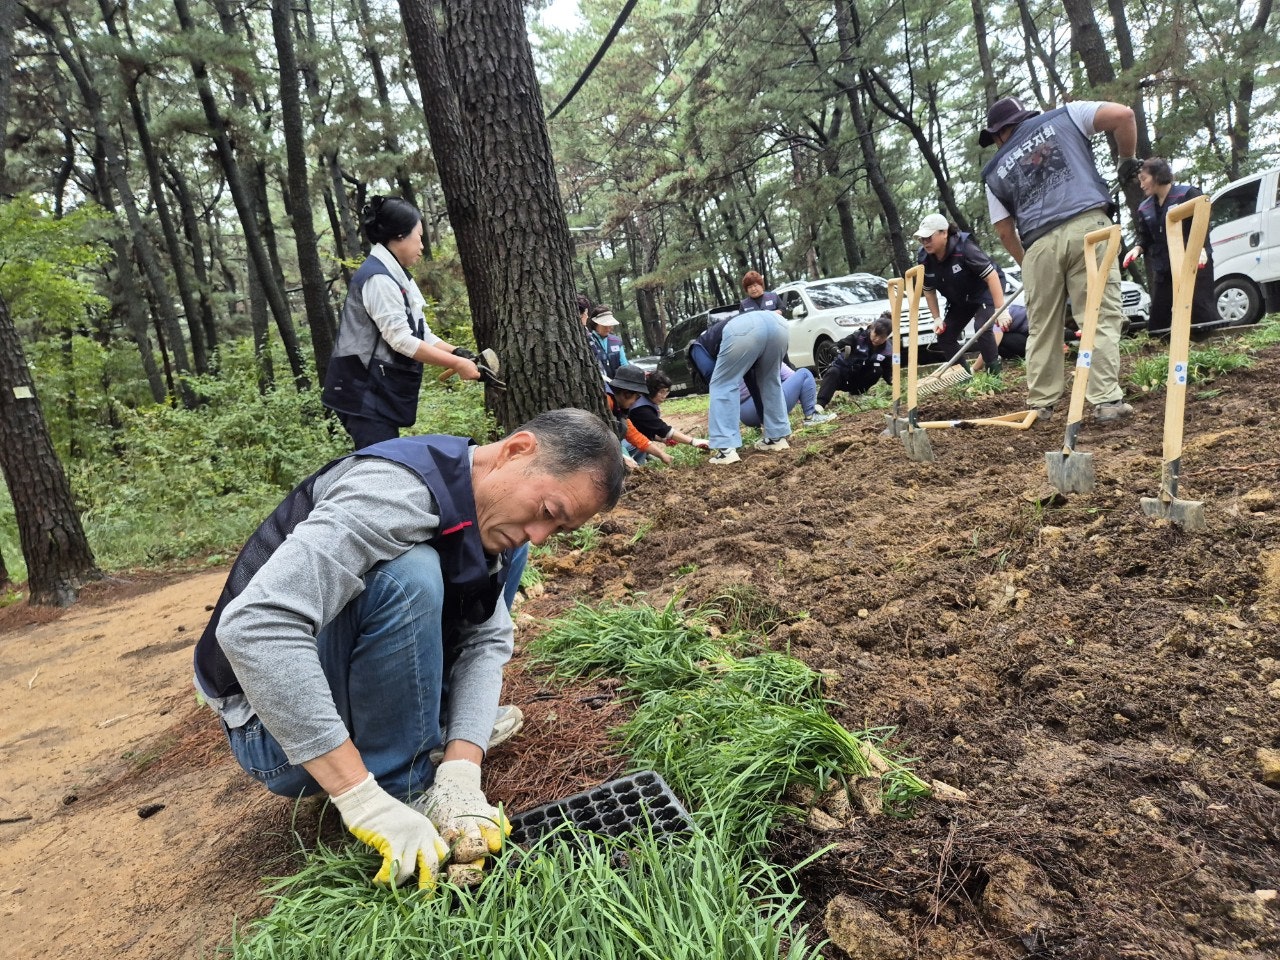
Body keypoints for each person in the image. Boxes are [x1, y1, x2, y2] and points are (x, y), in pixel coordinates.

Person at [193, 410, 626, 890]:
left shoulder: (496, 521)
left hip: (344, 696)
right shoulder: (390, 492)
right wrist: (363, 801)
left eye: (559, 531)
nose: (542, 535)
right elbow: (255, 626)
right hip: (270, 733)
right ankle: (402, 785)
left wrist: (463, 770)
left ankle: (437, 738)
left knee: (507, 546)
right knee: (410, 576)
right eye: (548, 512)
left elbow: (485, 637)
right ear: (516, 450)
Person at [979, 96, 1137, 424]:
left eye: (995, 138)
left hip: (1038, 244)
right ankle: (1106, 401)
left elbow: (1005, 232)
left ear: (1000, 133)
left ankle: (1041, 406)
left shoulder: (995, 170)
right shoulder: (1068, 115)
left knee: (1042, 327)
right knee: (1098, 316)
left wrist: (1029, 262)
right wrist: (1127, 159)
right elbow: (1124, 115)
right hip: (1088, 228)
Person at [322, 196, 481, 450]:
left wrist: (457, 352)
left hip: (376, 392)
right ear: (399, 237)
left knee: (385, 465)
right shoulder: (379, 279)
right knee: (381, 471)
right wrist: (456, 364)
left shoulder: (398, 276)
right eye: (418, 236)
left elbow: (421, 333)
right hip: (363, 395)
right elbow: (400, 340)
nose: (422, 245)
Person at [1125, 157, 1216, 335]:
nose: (1141, 184)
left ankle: (1212, 346)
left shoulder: (1187, 194)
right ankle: (1164, 354)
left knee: (1200, 310)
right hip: (1164, 268)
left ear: (1157, 176)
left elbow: (1203, 221)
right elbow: (1145, 238)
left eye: (1144, 179)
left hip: (1194, 261)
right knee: (1158, 320)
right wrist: (1136, 249)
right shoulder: (1145, 208)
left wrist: (1201, 249)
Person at [690, 309, 791, 464]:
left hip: (744, 330)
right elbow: (753, 382)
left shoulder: (696, 349)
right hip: (778, 323)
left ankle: (726, 449)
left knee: (721, 384)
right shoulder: (717, 334)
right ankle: (776, 438)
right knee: (770, 380)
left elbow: (718, 383)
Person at [915, 214, 1004, 374]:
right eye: (922, 238)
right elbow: (928, 291)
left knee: (982, 328)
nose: (925, 242)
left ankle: (994, 375)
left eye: (929, 237)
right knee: (945, 335)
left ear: (944, 233)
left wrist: (1000, 310)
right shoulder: (924, 259)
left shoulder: (965, 248)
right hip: (960, 299)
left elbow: (992, 276)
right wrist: (936, 318)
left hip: (985, 290)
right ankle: (964, 375)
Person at [627, 370, 711, 456]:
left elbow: (646, 428)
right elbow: (663, 429)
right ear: (651, 390)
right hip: (629, 445)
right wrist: (694, 441)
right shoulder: (641, 409)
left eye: (666, 391)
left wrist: (663, 439)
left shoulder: (645, 401)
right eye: (661, 392)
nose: (664, 396)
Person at [816, 315, 893, 408]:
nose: (877, 339)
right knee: (833, 371)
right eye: (875, 335)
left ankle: (856, 394)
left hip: (859, 379)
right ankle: (820, 404)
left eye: (882, 337)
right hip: (843, 373)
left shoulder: (887, 350)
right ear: (871, 329)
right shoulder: (858, 336)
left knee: (877, 370)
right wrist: (837, 352)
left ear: (887, 337)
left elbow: (887, 370)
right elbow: (835, 346)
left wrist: (892, 380)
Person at [604, 364, 674, 465]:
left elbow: (634, 435)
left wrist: (662, 455)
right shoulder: (607, 401)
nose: (636, 401)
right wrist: (623, 458)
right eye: (637, 397)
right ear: (626, 393)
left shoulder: (618, 406)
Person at [739, 364, 835, 428]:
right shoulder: (766, 352)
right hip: (760, 409)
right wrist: (801, 398)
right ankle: (811, 416)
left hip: (744, 414)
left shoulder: (738, 354)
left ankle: (764, 427)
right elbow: (790, 376)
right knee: (804, 374)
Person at [588, 306, 627, 377]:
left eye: (610, 325)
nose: (608, 328)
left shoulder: (616, 341)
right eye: (604, 325)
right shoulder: (588, 342)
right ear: (595, 324)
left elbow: (624, 364)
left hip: (619, 384)